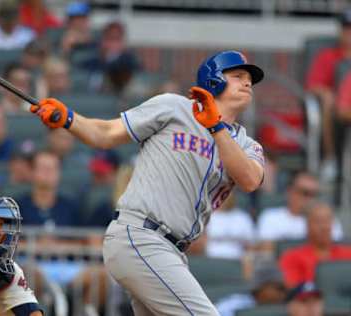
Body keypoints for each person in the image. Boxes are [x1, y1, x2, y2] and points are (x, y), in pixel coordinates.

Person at [30, 50, 266, 315]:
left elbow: (249, 180)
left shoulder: (247, 144)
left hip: (172, 252)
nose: (247, 83)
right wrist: (69, 119)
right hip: (140, 235)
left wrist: (216, 128)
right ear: (214, 80)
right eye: (237, 76)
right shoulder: (175, 107)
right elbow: (106, 134)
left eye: (249, 79)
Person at [305, 9, 351, 180]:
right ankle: (331, 158)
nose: (349, 33)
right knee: (329, 100)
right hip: (335, 112)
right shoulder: (327, 56)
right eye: (346, 28)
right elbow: (313, 85)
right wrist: (328, 95)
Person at [256, 170, 343, 252]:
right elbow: (265, 251)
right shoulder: (271, 217)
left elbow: (335, 251)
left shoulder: (327, 219)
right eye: (305, 193)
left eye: (314, 194)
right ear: (290, 192)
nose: (310, 199)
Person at [216, 261, 286, 316]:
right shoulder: (235, 304)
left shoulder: (287, 308)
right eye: (279, 288)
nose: (282, 293)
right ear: (261, 287)